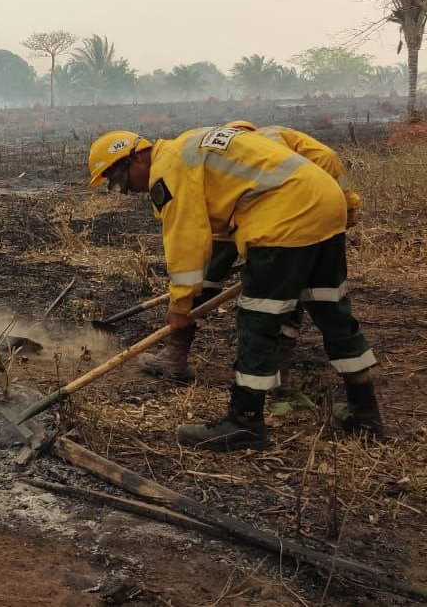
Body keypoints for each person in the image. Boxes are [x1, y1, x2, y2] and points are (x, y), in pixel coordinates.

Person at [87, 126, 382, 451]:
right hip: (327, 205)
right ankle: (365, 415)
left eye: (121, 181)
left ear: (136, 157)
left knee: (257, 319)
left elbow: (186, 240)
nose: (126, 192)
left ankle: (244, 422)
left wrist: (180, 307)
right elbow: (220, 234)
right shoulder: (193, 146)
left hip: (284, 218)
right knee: (332, 310)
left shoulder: (169, 171)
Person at [137, 120, 361, 382]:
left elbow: (327, 158)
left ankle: (263, 379)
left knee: (268, 305)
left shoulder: (270, 140)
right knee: (301, 297)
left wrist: (348, 204)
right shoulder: (234, 147)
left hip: (280, 218)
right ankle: (182, 349)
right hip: (256, 214)